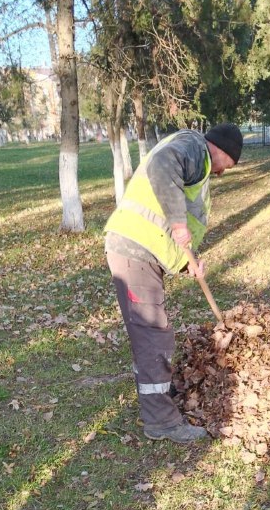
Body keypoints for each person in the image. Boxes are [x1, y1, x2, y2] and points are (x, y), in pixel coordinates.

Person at [104, 122, 243, 443]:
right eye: (230, 165)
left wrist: (186, 263)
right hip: (134, 251)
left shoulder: (200, 161)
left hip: (141, 250)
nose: (224, 172)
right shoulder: (194, 147)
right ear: (222, 150)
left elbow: (170, 229)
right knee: (153, 335)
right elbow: (162, 165)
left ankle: (158, 397)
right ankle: (161, 422)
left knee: (151, 335)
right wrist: (179, 223)